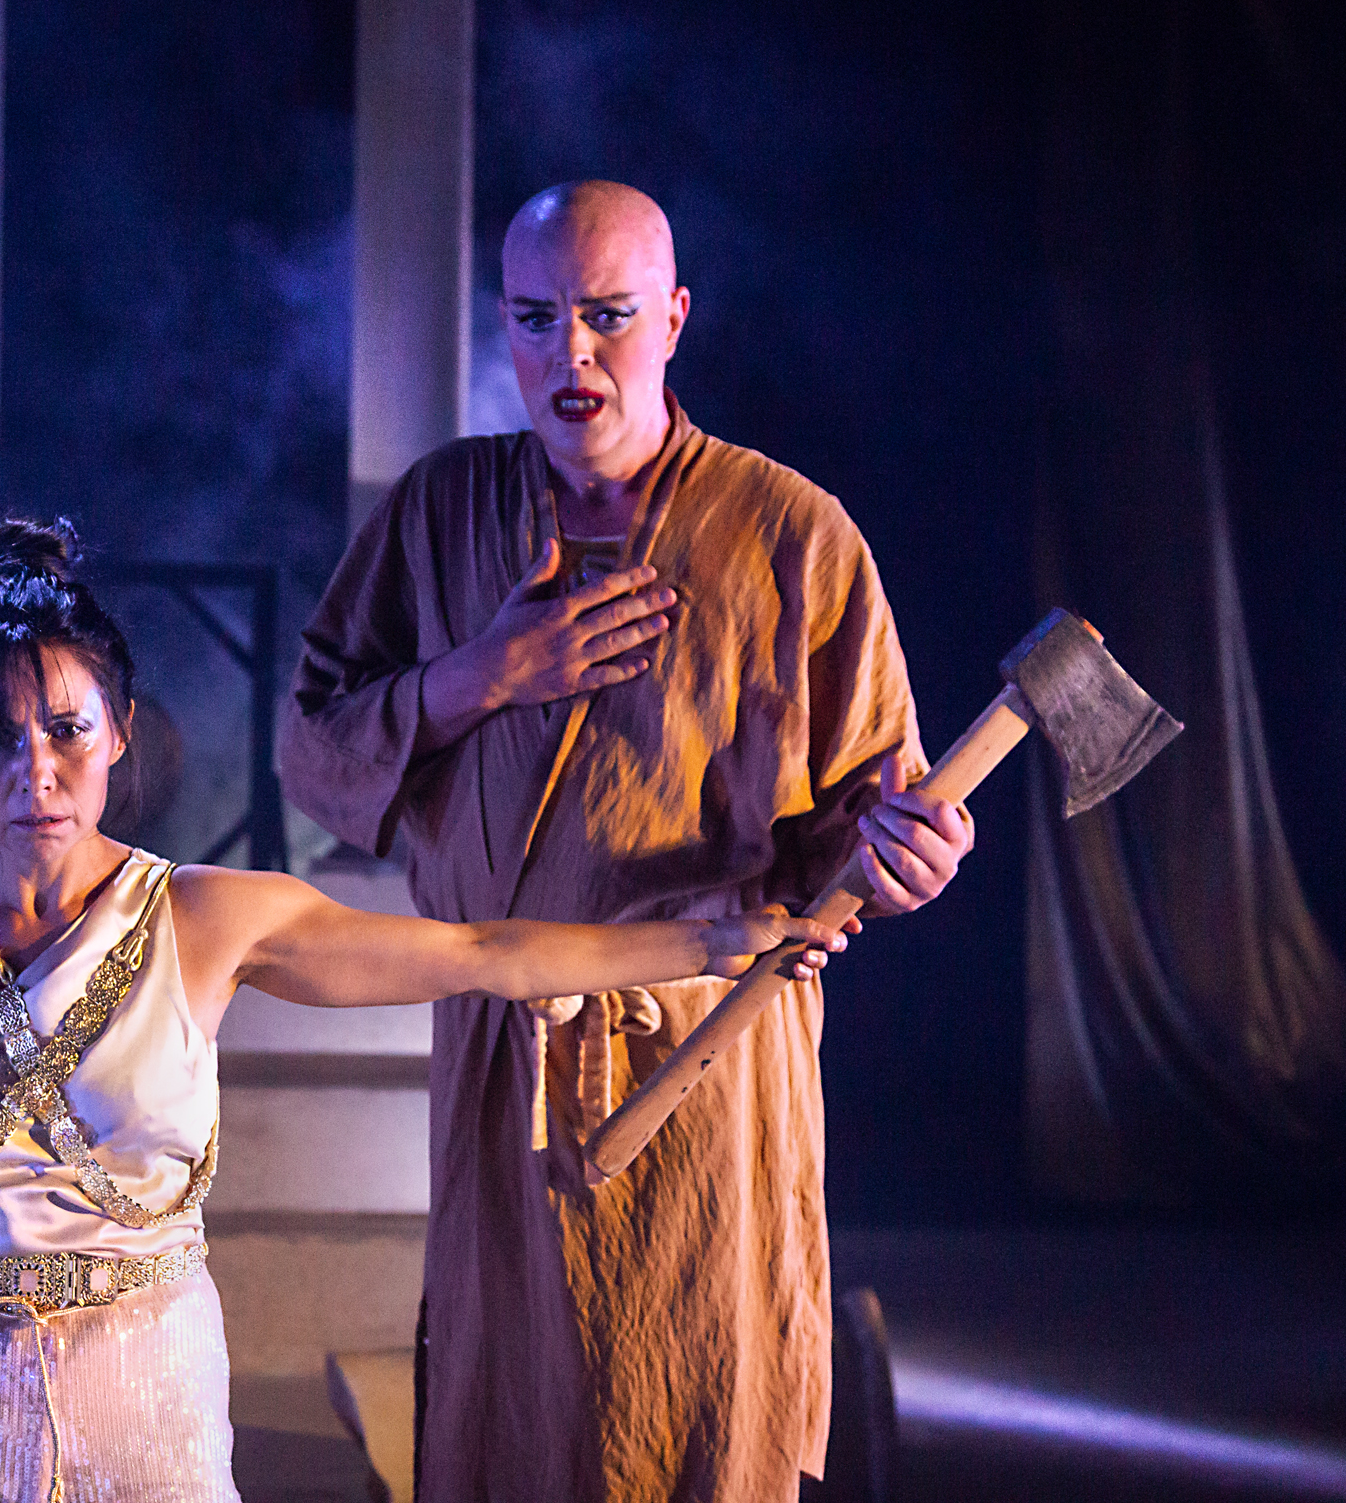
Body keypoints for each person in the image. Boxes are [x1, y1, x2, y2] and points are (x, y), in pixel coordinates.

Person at [0, 517, 845, 1503]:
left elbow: (481, 952)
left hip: (142, 1396)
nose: (37, 768)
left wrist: (708, 944)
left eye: (68, 729)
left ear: (119, 733)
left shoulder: (205, 918)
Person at [278, 180, 974, 1501]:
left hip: (705, 1059)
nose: (573, 356)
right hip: (505, 1054)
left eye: (606, 315)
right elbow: (313, 748)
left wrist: (904, 861)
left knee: (691, 1404)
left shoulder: (791, 533)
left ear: (674, 318)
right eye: (536, 318)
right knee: (512, 1419)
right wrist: (477, 676)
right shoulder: (442, 512)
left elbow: (864, 828)